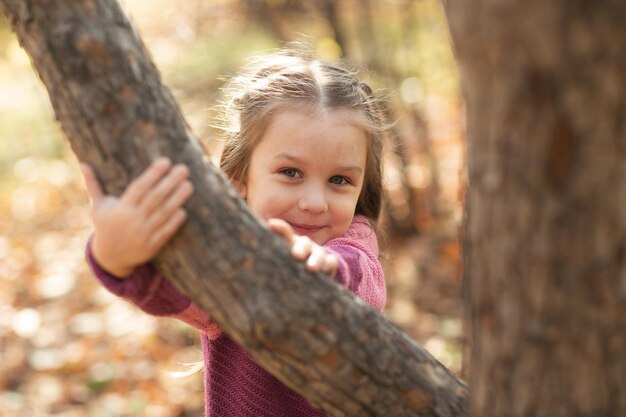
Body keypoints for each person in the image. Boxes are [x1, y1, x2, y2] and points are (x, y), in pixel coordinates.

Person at [81, 48, 389, 417]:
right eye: (290, 172)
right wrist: (114, 255)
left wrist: (326, 271)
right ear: (241, 177)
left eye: (339, 180)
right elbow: (169, 288)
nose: (313, 202)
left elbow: (363, 284)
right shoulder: (230, 259)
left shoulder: (353, 244)